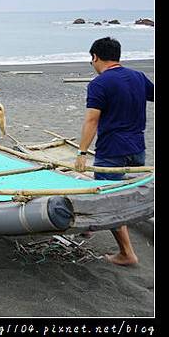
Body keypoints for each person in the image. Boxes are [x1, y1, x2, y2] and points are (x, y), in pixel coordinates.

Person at [74, 37, 154, 266]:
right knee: (116, 189)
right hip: (138, 150)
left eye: (92, 60)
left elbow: (91, 120)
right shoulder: (137, 77)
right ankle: (88, 227)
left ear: (95, 57)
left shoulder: (99, 83)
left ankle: (127, 253)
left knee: (110, 201)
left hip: (113, 150)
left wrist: (81, 153)